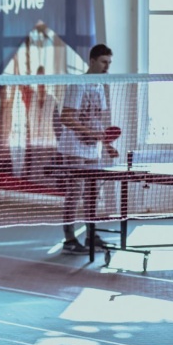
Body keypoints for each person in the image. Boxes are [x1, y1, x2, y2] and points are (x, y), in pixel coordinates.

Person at [57, 44, 115, 255]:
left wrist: (107, 144)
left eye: (109, 63)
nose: (107, 67)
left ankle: (91, 235)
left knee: (93, 191)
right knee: (75, 190)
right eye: (103, 62)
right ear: (92, 61)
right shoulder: (78, 84)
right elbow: (66, 117)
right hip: (74, 146)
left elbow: (97, 119)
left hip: (92, 148)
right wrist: (91, 133)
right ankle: (69, 239)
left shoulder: (100, 86)